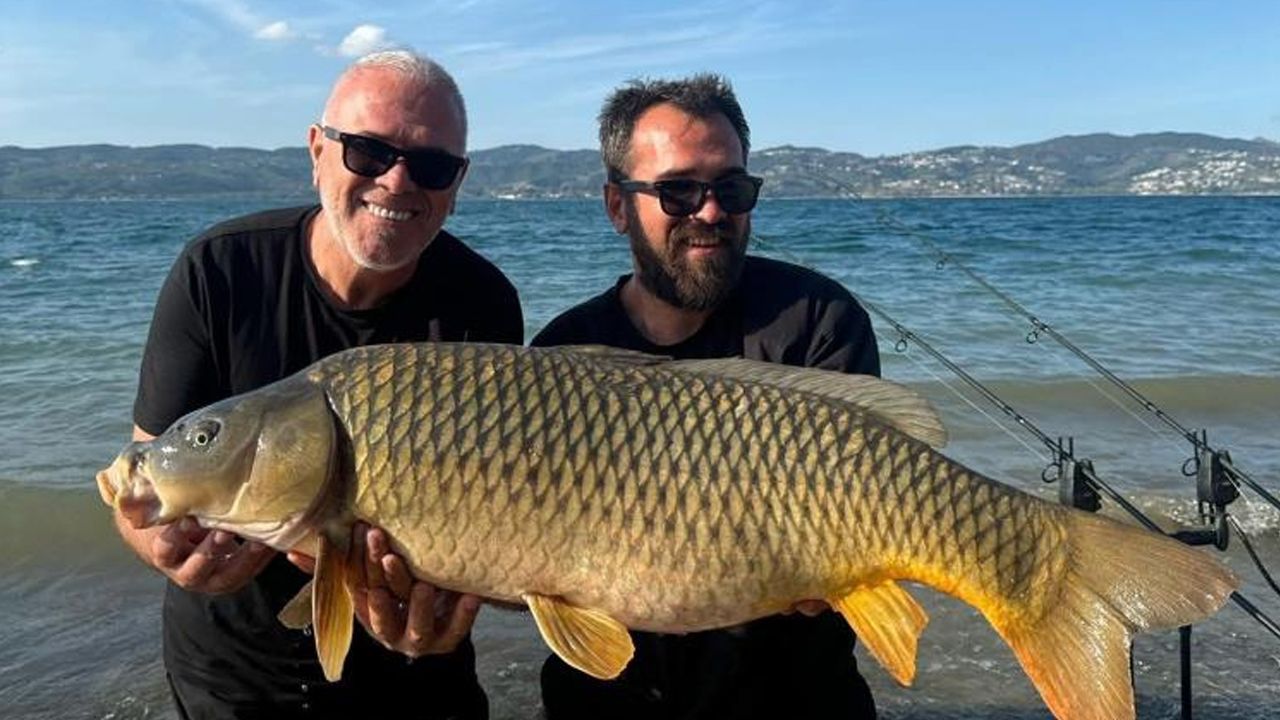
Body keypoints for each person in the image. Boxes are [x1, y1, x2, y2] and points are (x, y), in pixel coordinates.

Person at [112, 50, 522, 719]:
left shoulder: (483, 300)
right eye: (368, 151)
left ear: (458, 182)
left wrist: (444, 611)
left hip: (412, 679)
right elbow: (144, 478)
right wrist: (160, 549)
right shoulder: (219, 270)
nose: (396, 180)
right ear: (316, 150)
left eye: (432, 165)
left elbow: (500, 514)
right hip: (234, 675)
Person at [532, 74, 880, 719]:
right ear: (617, 206)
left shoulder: (818, 320)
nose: (711, 212)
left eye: (731, 189)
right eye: (678, 191)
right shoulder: (561, 352)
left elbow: (867, 509)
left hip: (793, 702)